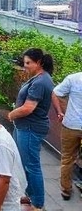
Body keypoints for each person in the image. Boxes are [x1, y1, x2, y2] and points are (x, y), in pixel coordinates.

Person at [7, 48, 54, 211]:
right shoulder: (41, 78)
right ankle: (29, 194)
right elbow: (53, 95)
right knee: (24, 163)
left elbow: (28, 108)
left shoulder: (40, 82)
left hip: (30, 127)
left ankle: (38, 202)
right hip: (25, 126)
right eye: (24, 62)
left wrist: (12, 114)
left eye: (28, 63)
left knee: (31, 165)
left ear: (39, 62)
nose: (25, 66)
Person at [51, 71, 82, 201]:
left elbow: (56, 93)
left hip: (71, 125)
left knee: (67, 159)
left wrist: (60, 111)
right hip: (72, 124)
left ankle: (66, 190)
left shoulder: (73, 78)